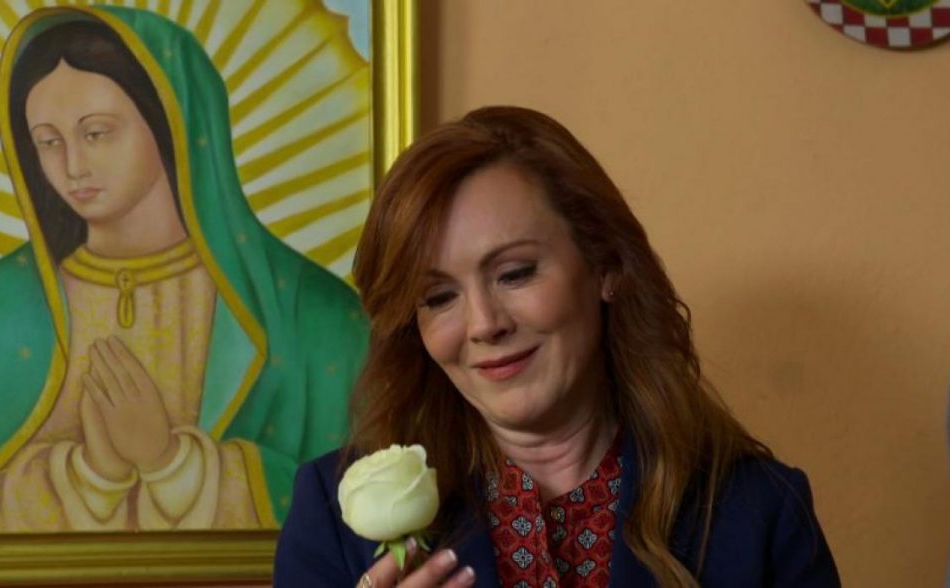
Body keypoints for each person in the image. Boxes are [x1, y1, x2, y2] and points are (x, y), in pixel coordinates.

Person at [275, 106, 841, 587]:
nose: (484, 325)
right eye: (439, 297)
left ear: (606, 266)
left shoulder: (762, 511)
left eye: (515, 273)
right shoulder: (332, 514)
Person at [0, 6, 366, 532]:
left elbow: (356, 518)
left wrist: (171, 463)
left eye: (96, 133)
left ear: (172, 125)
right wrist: (92, 475)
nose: (72, 167)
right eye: (48, 142)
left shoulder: (317, 321)